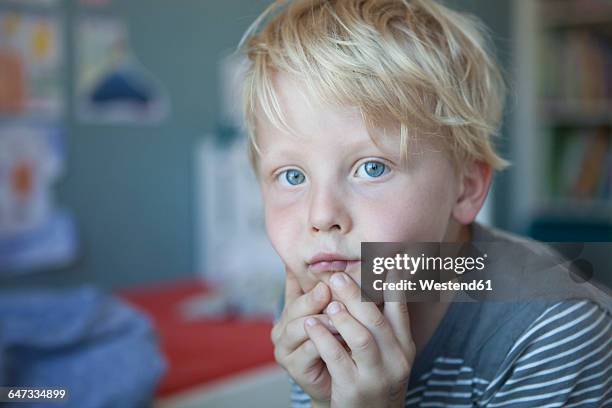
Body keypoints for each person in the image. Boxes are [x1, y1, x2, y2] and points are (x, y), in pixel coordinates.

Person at [237, 0, 612, 406]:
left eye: (372, 168)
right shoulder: (320, 291)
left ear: (465, 188)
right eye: (292, 176)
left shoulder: (551, 329)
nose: (322, 216)